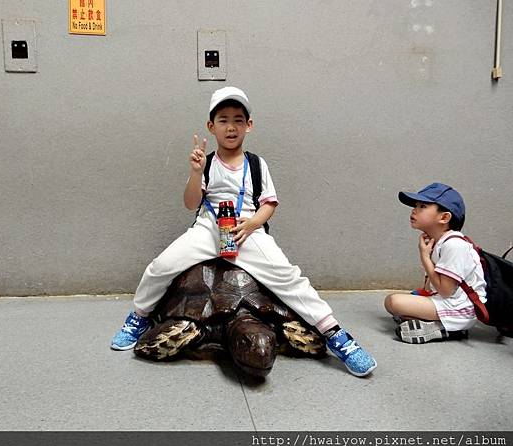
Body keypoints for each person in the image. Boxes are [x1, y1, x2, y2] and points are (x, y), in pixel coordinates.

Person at [110, 86, 377, 377]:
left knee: (289, 277)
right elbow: (191, 204)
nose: (231, 126)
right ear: (211, 127)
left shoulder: (256, 164)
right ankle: (138, 318)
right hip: (209, 228)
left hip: (248, 231)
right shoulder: (208, 163)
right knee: (161, 266)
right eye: (223, 120)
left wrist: (252, 225)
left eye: (238, 119)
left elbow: (269, 204)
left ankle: (335, 335)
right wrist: (196, 172)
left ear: (249, 125)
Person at [384, 182, 487, 344]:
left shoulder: (454, 245)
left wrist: (425, 257)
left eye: (422, 206)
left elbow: (445, 291)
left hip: (461, 309)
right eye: (416, 205)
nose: (414, 210)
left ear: (444, 217)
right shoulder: (440, 242)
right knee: (403, 304)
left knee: (393, 302)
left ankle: (448, 329)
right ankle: (436, 324)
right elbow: (433, 285)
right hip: (448, 301)